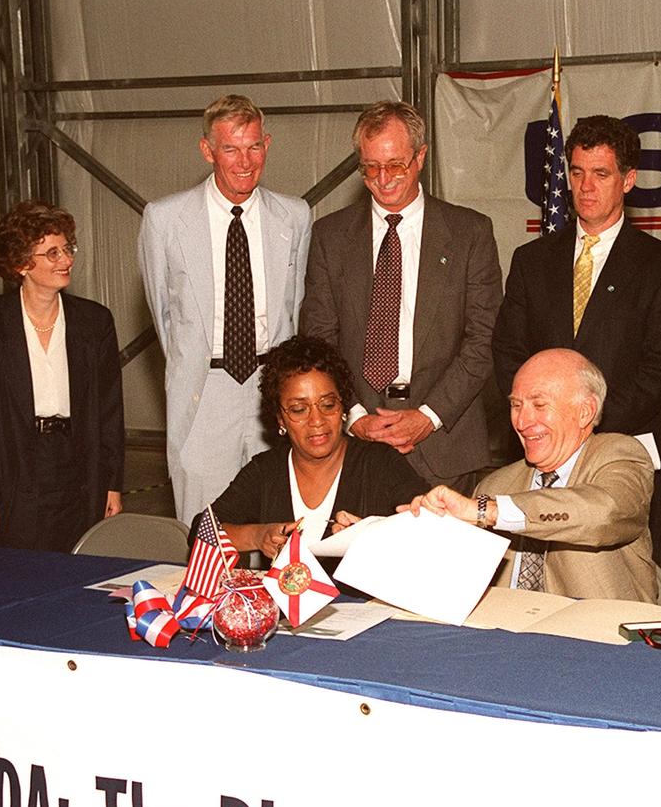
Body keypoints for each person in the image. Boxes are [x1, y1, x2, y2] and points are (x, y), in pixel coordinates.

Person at [493, 114, 661, 548]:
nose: (585, 187)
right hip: (537, 455)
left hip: (620, 454)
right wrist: (543, 423)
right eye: (577, 173)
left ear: (629, 179)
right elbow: (508, 351)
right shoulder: (532, 260)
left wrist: (584, 431)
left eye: (601, 174)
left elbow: (660, 369)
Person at [300, 100, 503, 494]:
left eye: (396, 165)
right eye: (370, 167)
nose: (383, 179)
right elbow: (319, 339)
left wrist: (429, 416)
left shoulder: (469, 233)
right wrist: (354, 415)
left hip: (443, 447)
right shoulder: (329, 236)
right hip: (356, 443)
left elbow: (484, 340)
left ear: (421, 157)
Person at [139, 94, 312, 524]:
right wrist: (200, 366)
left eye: (254, 146)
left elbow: (294, 306)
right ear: (207, 150)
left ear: (267, 145)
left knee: (278, 527)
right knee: (205, 532)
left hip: (271, 387)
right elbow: (165, 317)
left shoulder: (295, 216)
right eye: (231, 148)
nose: (244, 161)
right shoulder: (164, 219)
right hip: (204, 392)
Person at [405, 349, 657, 601]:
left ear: (585, 411)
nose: (522, 422)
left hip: (599, 633)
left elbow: (605, 513)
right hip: (502, 630)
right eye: (516, 405)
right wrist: (431, 526)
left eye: (539, 405)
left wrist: (488, 511)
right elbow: (457, 579)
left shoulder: (621, 455)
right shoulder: (496, 484)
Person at [0, 200, 125, 551]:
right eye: (51, 253)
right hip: (16, 464)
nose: (66, 260)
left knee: (81, 567)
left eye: (67, 249)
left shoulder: (95, 323)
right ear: (21, 264)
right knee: (17, 571)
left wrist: (111, 482)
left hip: (79, 464)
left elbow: (110, 411)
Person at [200, 335, 427, 571]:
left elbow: (437, 533)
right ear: (280, 419)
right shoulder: (266, 469)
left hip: (364, 606)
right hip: (284, 608)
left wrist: (373, 538)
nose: (317, 420)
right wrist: (258, 536)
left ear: (343, 408)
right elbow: (201, 531)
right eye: (299, 410)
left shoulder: (380, 463)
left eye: (328, 405)